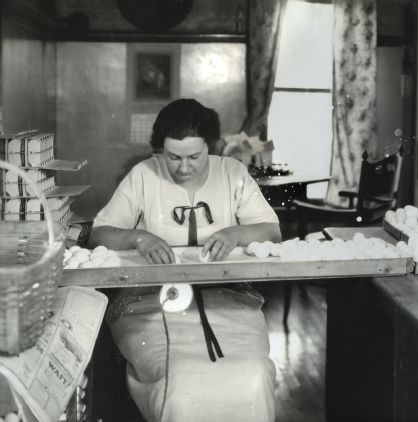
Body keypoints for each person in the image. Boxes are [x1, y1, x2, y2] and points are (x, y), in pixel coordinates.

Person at [89, 98, 281, 422]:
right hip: (151, 301)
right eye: (173, 157)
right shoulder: (143, 174)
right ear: (160, 149)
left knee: (254, 373)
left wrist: (235, 233)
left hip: (227, 297)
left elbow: (272, 231)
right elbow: (99, 234)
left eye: (194, 156)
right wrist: (138, 237)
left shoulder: (232, 172)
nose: (183, 167)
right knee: (181, 380)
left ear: (211, 146)